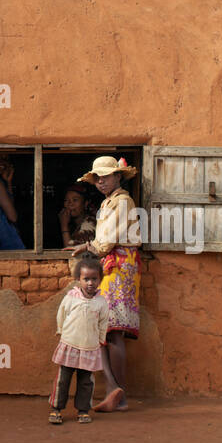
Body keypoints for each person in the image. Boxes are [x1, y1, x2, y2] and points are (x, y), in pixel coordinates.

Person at [72, 154, 140, 413]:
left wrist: (87, 247)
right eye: (97, 178)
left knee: (111, 330)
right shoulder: (111, 201)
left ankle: (117, 393)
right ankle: (114, 389)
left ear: (118, 176)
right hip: (114, 266)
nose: (101, 182)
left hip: (117, 266)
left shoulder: (122, 202)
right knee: (105, 330)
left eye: (106, 177)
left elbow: (106, 242)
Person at [48, 254, 108, 425]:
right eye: (86, 279)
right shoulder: (71, 297)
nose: (90, 283)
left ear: (100, 279)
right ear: (78, 280)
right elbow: (62, 314)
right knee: (63, 379)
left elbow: (103, 323)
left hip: (90, 347)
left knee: (86, 381)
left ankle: (83, 410)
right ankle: (56, 409)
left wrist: (101, 340)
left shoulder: (101, 303)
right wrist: (61, 331)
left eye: (94, 279)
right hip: (70, 345)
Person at [58, 182, 97, 253]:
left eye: (75, 200)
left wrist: (64, 226)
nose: (70, 204)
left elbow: (71, 252)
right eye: (66, 200)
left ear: (85, 203)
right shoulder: (73, 223)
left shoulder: (89, 223)